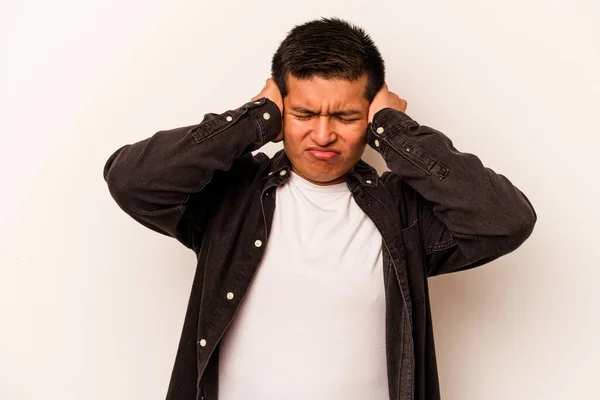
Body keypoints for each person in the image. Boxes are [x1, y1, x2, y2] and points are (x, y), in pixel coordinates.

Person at [103, 17, 537, 400]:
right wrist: (256, 119)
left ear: (370, 115)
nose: (323, 135)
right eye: (304, 113)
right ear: (281, 112)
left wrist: (395, 130)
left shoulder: (402, 216)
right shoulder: (229, 199)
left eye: (346, 117)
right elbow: (131, 181)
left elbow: (505, 220)